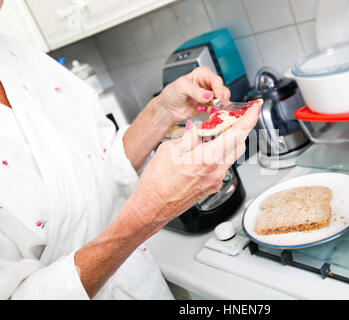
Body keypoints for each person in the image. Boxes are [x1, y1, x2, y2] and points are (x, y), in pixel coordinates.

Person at [0, 0, 259, 299]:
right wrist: (148, 214)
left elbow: (103, 162)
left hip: (141, 284)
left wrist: (163, 109)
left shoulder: (23, 58)